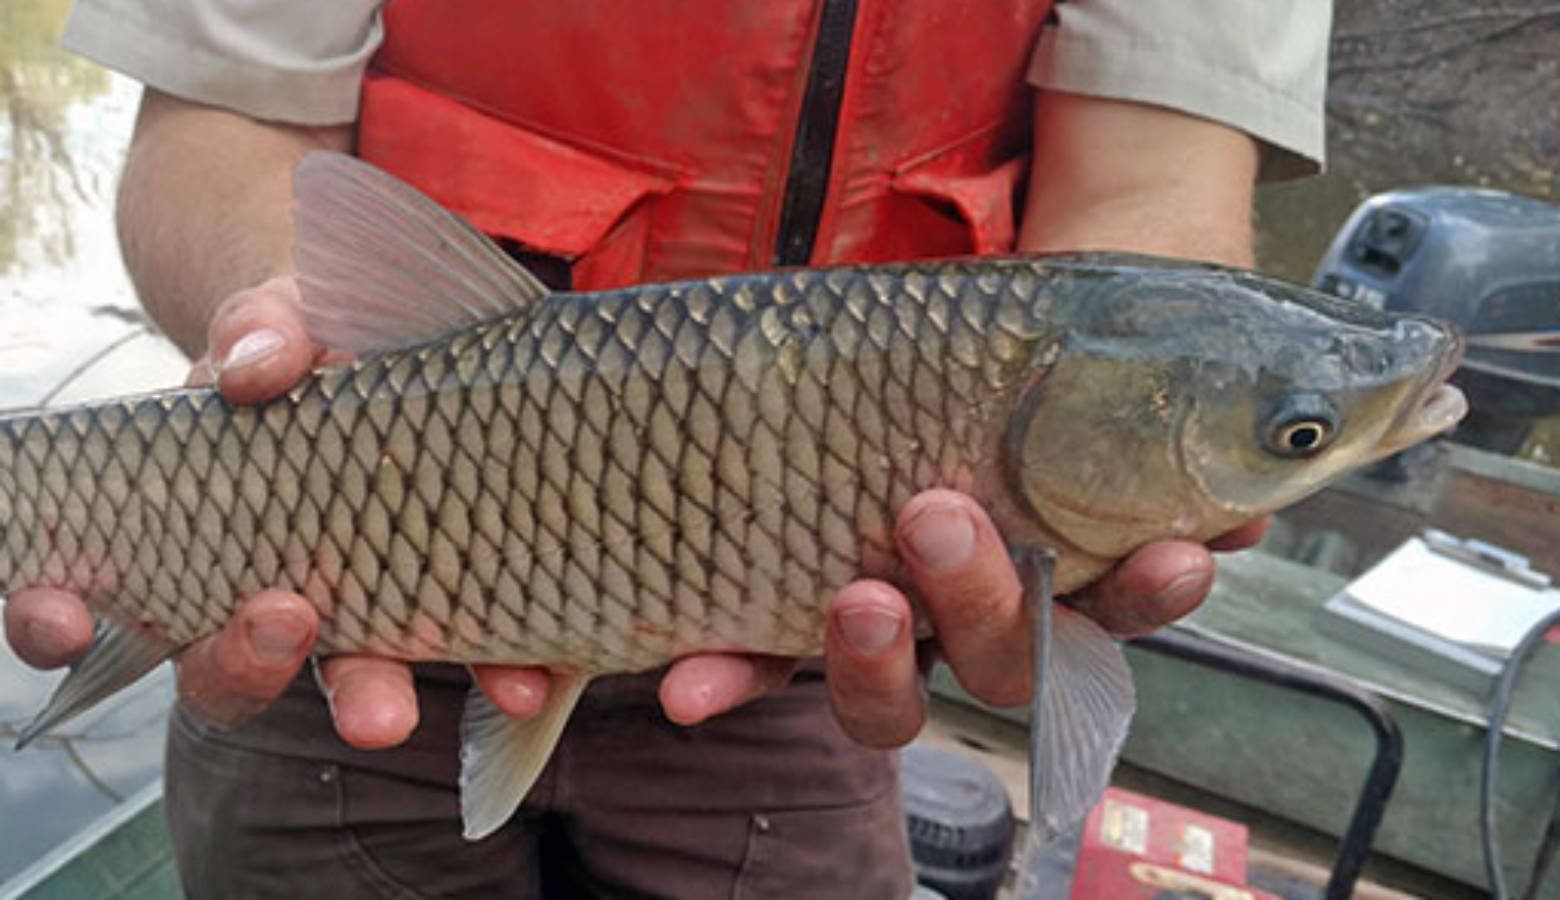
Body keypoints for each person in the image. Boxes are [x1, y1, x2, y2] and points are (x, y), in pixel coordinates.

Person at [4, 1, 1328, 896]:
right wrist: (276, 301)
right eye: (1298, 434)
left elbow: (1152, 216)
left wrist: (1097, 542)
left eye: (1296, 435)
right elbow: (223, 121)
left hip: (815, 658)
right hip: (320, 613)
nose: (1296, 445)